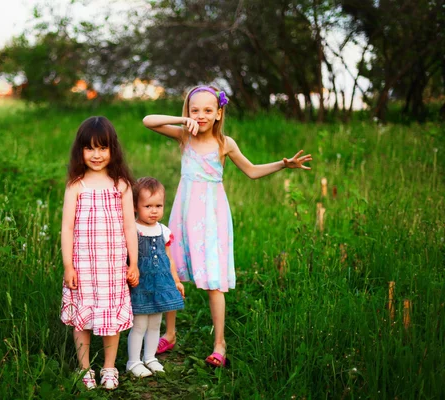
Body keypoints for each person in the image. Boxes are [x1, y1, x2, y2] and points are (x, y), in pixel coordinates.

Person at [143, 85, 312, 368]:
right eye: (195, 110)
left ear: (219, 113)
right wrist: (182, 120)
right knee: (172, 272)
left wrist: (283, 165)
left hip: (211, 216)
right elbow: (149, 121)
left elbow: (252, 171)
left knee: (213, 279)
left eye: (208, 110)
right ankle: (169, 333)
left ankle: (220, 343)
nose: (201, 115)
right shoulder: (185, 136)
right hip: (184, 214)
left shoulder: (225, 144)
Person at [60, 116, 139, 390]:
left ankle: (108, 367)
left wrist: (134, 263)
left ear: (112, 150)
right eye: (90, 148)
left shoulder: (121, 185)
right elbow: (67, 228)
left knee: (110, 318)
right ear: (80, 151)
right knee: (82, 319)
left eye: (102, 148)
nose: (96, 155)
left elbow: (130, 226)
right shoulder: (76, 185)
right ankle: (84, 369)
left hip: (113, 265)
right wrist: (68, 266)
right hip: (82, 265)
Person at [126, 177, 185, 378]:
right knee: (140, 324)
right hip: (141, 285)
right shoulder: (133, 229)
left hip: (161, 284)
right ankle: (133, 361)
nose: (154, 211)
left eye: (158, 206)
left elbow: (169, 258)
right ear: (135, 206)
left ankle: (150, 357)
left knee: (155, 324)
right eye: (148, 206)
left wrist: (175, 280)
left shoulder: (163, 230)